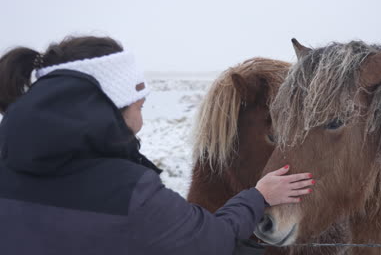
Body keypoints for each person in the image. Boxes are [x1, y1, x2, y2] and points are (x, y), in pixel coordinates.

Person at [0, 36, 314, 255]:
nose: (142, 115)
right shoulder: (127, 192)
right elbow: (206, 243)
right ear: (108, 105)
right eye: (138, 102)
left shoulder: (8, 166)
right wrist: (259, 196)